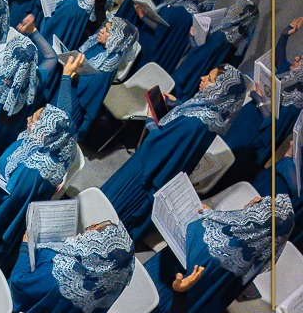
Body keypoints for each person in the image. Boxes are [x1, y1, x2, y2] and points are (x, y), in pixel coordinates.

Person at [101, 65, 247, 239]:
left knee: (112, 208)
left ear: (219, 91)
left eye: (209, 79)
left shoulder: (193, 123)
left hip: (146, 171)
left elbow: (158, 147)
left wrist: (149, 119)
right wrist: (176, 104)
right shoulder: (214, 116)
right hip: (167, 171)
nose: (202, 77)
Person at [141, 194, 293, 313]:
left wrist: (203, 216)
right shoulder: (253, 257)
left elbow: (193, 233)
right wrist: (212, 214)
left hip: (162, 288)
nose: (255, 199)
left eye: (261, 203)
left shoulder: (215, 245)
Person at [0, 104, 76, 267]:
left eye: (33, 120)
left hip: (1, 210)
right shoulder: (45, 141)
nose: (28, 119)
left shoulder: (33, 171)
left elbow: (9, 199)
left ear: (46, 131)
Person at [9, 222, 135, 313]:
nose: (91, 226)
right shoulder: (114, 281)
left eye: (95, 228)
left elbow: (19, 282)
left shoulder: (58, 272)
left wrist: (25, 246)